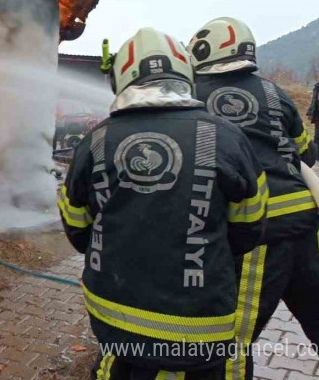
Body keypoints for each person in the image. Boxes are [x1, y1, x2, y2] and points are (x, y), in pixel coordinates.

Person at [58, 27, 267, 378]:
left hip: (117, 317)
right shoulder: (228, 137)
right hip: (203, 323)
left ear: (119, 78)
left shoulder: (95, 141)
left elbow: (77, 227)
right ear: (186, 71)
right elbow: (250, 226)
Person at [188, 17, 319, 380]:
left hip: (256, 230)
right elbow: (307, 153)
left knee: (233, 337)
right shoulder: (273, 93)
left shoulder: (193, 94)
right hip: (305, 222)